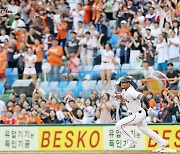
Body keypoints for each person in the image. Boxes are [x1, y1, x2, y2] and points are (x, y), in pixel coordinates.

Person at [115, 75, 168, 151]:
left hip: (137, 114)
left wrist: (149, 108)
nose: (122, 84)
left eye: (123, 83)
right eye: (121, 83)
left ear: (128, 83)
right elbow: (126, 98)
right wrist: (120, 97)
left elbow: (143, 97)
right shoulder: (125, 91)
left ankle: (131, 140)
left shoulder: (131, 91)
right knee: (146, 130)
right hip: (138, 113)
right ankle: (162, 142)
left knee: (119, 124)